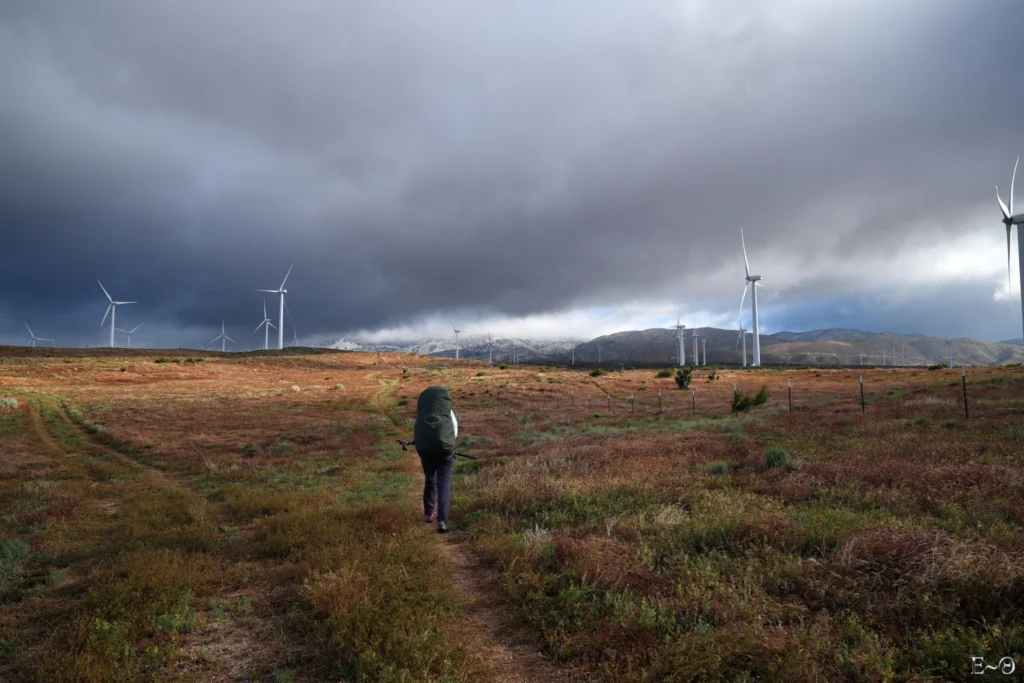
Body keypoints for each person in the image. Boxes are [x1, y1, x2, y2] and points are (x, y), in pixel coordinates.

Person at [414, 385, 458, 533]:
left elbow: (418, 430)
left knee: (429, 480)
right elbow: (454, 430)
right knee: (443, 484)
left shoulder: (423, 412)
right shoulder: (447, 412)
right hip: (445, 451)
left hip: (426, 451)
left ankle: (428, 514)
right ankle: (442, 521)